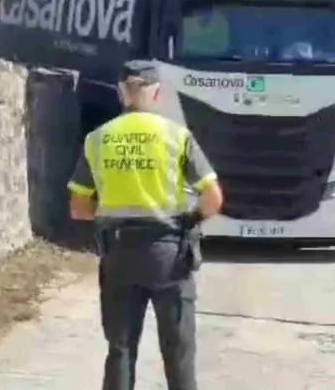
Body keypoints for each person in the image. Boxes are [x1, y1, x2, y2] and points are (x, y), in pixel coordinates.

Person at [67, 60, 223, 390]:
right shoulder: (177, 137)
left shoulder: (97, 139)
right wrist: (188, 222)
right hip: (170, 256)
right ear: (156, 94)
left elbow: (79, 208)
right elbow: (213, 199)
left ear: (122, 93)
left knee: (121, 351)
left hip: (119, 256)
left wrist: (110, 208)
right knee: (178, 352)